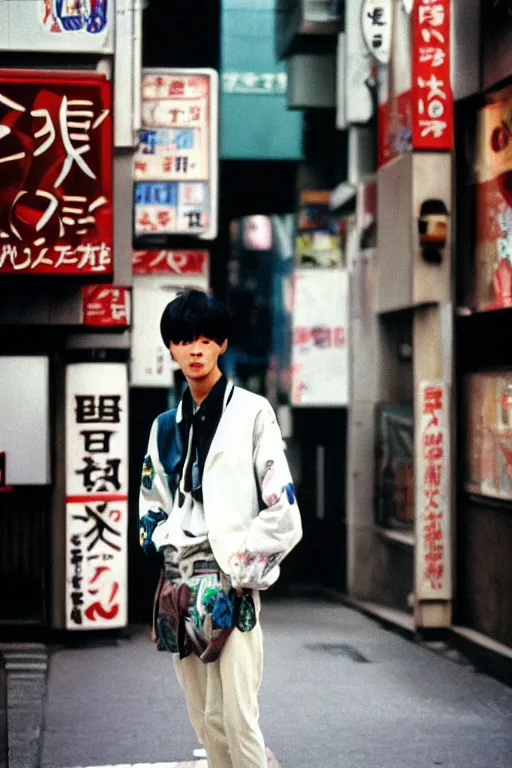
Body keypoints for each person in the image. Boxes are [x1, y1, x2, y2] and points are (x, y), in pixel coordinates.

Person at [139, 289, 302, 768]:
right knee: (203, 717)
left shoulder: (253, 413)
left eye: (206, 339)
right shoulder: (165, 426)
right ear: (170, 347)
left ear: (222, 345)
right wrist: (166, 551)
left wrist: (239, 566)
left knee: (237, 715)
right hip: (179, 582)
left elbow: (283, 510)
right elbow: (151, 503)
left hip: (233, 580)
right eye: (184, 339)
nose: (195, 350)